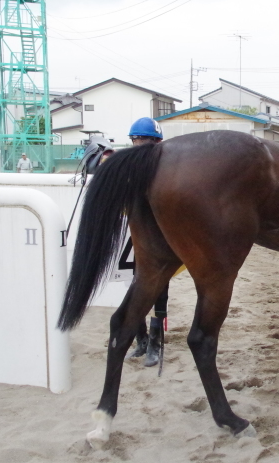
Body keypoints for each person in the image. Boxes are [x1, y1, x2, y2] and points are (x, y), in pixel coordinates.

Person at [120, 117, 170, 366]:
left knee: (160, 291)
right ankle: (141, 340)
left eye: (143, 139)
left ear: (156, 142)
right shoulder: (130, 166)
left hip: (162, 240)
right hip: (138, 238)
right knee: (135, 287)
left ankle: (155, 342)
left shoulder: (166, 169)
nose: (138, 143)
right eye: (135, 139)